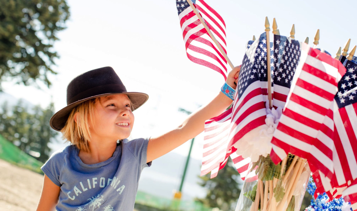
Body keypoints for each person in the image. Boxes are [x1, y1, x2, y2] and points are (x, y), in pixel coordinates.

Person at [36, 66, 240, 210]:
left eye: (127, 106)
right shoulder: (58, 164)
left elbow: (183, 129)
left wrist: (227, 93)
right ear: (81, 120)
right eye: (111, 105)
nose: (125, 112)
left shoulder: (134, 154)